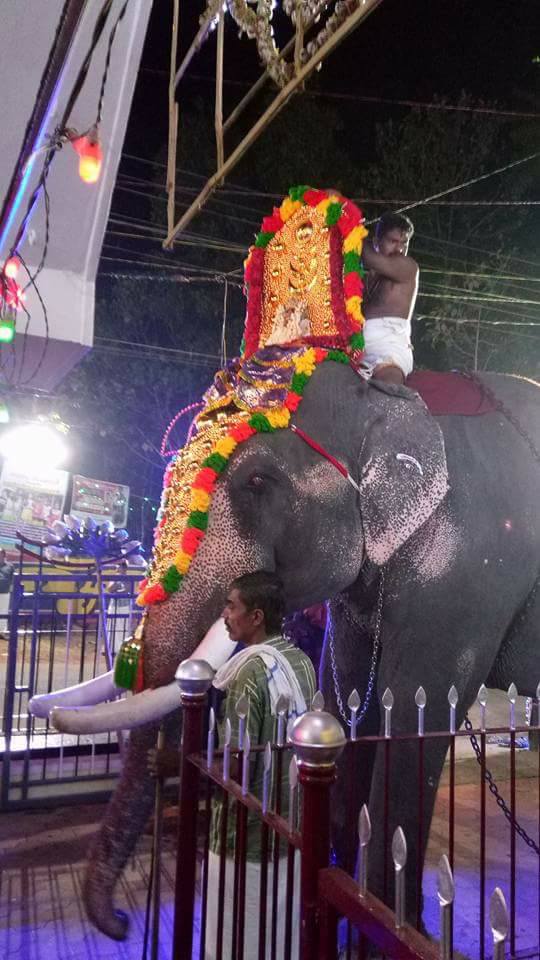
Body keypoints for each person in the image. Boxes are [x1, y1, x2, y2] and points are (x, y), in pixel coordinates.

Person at [148, 571, 316, 958]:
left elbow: (234, 770)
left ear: (256, 616)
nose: (224, 615)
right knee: (280, 938)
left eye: (231, 606)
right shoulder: (302, 662)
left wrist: (179, 762)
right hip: (291, 829)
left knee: (237, 939)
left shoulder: (245, 674)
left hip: (246, 838)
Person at [361, 212, 419, 385]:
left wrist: (350, 227)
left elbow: (369, 257)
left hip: (390, 352)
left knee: (388, 391)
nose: (400, 249)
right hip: (358, 350)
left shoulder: (408, 267)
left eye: (404, 243)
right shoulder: (365, 277)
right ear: (377, 242)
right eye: (393, 241)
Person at [0, 547, 14, 637]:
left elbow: (13, 579)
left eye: (1, 553)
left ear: (4, 555)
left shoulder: (10, 566)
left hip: (5, 593)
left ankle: (2, 632)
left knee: (3, 612)